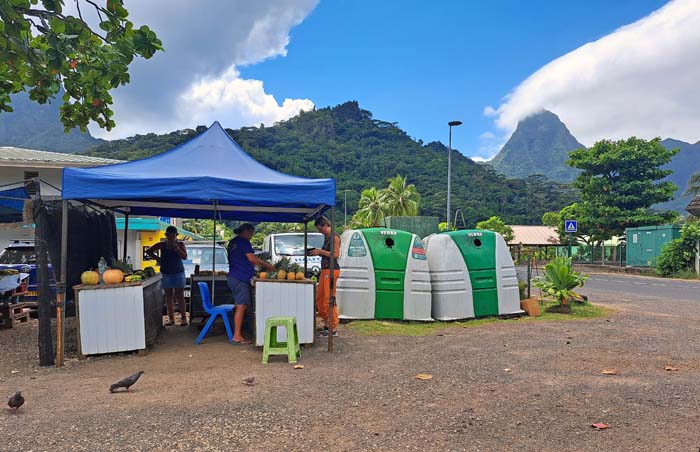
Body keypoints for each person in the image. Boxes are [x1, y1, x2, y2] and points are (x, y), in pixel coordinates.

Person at [227, 223, 274, 344]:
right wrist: (267, 265)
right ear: (246, 231)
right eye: (251, 233)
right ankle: (237, 335)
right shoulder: (243, 242)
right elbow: (252, 259)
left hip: (235, 276)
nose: (252, 236)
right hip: (240, 277)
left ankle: (240, 331)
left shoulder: (233, 242)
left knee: (241, 305)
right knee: (241, 306)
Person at [146, 226, 188, 326]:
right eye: (168, 236)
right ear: (166, 235)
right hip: (166, 273)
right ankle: (171, 319)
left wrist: (176, 248)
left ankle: (184, 318)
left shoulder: (180, 244)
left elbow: (184, 257)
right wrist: (158, 259)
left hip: (178, 273)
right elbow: (148, 251)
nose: (170, 238)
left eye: (173, 236)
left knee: (180, 296)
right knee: (168, 296)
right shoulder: (162, 245)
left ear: (176, 235)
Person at [308, 216, 341, 337]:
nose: (319, 231)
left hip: (332, 271)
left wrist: (320, 252)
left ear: (326, 225)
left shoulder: (335, 236)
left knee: (329, 298)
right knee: (321, 298)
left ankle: (333, 327)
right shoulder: (326, 237)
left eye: (320, 229)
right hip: (325, 270)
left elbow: (336, 254)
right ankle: (327, 325)